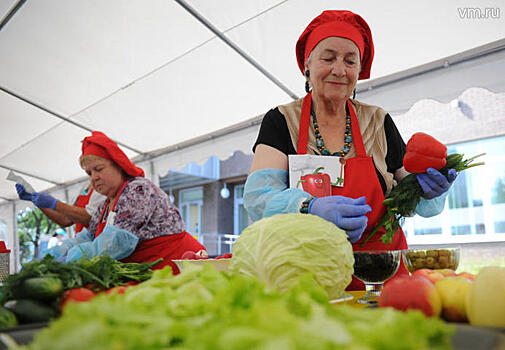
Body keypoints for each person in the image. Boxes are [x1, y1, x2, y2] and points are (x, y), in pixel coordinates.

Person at [243, 10, 457, 290]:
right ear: (307, 65)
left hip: (382, 276)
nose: (339, 70)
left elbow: (410, 192)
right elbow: (259, 198)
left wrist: (427, 190)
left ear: (359, 70)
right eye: (328, 58)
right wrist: (308, 207)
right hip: (311, 276)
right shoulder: (282, 121)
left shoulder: (378, 121)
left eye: (350, 61)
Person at [45, 131, 206, 273]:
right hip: (151, 270)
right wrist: (57, 254)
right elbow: (88, 236)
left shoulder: (137, 191)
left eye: (99, 169)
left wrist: (71, 258)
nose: (94, 177)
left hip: (178, 266)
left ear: (118, 165)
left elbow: (116, 245)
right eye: (89, 173)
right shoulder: (105, 204)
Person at [16, 181, 105, 234]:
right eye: (89, 171)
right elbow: (65, 219)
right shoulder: (85, 188)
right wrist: (35, 200)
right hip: (84, 247)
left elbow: (90, 218)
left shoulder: (103, 186)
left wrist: (55, 204)